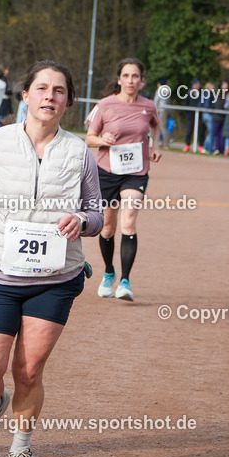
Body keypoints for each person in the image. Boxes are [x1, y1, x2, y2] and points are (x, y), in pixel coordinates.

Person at [0, 60, 103, 457]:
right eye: (41, 88)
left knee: (29, 371)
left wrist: (82, 222)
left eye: (59, 90)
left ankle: (20, 450)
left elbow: (96, 212)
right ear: (26, 96)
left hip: (55, 279)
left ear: (68, 102)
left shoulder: (79, 153)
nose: (49, 96)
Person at [85, 58, 161, 301]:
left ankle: (125, 282)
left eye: (135, 76)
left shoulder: (148, 106)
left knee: (128, 220)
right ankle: (109, 273)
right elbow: (89, 138)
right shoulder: (105, 105)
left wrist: (155, 145)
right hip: (106, 172)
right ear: (119, 79)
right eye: (126, 76)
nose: (130, 80)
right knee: (108, 227)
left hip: (135, 172)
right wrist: (102, 141)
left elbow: (155, 126)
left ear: (142, 81)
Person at [182, 78, 203, 152]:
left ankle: (201, 146)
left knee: (201, 131)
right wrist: (187, 114)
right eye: (196, 84)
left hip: (199, 115)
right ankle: (187, 145)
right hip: (190, 115)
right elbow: (186, 104)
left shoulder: (201, 93)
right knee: (189, 130)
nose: (198, 86)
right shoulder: (189, 93)